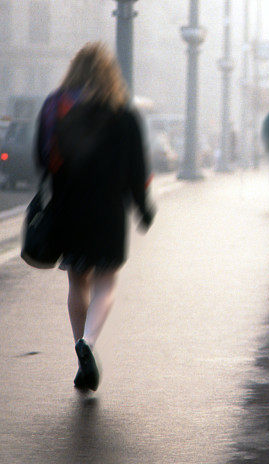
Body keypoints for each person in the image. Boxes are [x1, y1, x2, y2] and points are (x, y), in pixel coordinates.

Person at [35, 42, 155, 393]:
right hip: (108, 211)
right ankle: (88, 342)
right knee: (107, 282)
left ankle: (79, 353)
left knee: (78, 283)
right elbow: (137, 169)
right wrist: (143, 208)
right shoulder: (125, 115)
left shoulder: (64, 114)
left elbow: (45, 161)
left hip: (70, 209)